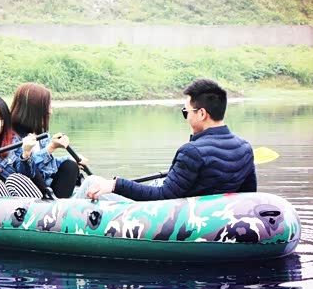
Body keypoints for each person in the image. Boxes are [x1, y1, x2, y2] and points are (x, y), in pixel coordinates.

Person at [78, 78, 256, 201]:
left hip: (169, 218)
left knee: (90, 182)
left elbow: (163, 196)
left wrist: (116, 184)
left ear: (202, 114)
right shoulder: (245, 148)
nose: (186, 117)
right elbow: (248, 195)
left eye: (186, 112)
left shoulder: (192, 151)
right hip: (209, 217)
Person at [9, 82, 80, 198]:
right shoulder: (12, 136)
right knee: (34, 169)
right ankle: (52, 202)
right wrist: (51, 148)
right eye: (47, 106)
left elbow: (48, 168)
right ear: (34, 109)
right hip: (28, 190)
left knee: (70, 166)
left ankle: (59, 204)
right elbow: (26, 171)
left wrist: (72, 159)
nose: (50, 111)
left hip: (47, 184)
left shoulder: (41, 132)